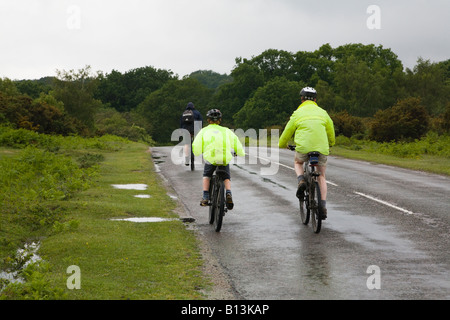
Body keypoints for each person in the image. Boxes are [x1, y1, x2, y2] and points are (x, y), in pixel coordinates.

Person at [278, 87, 335, 219]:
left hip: (303, 148)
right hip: (321, 148)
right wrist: (331, 143)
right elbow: (331, 130)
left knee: (298, 162)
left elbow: (287, 131)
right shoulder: (323, 112)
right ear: (315, 100)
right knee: (321, 176)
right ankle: (323, 206)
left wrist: (282, 144)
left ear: (302, 99)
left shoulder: (297, 113)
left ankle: (301, 180)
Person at [192, 109, 245, 210]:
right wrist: (239, 152)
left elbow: (197, 144)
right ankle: (228, 193)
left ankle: (205, 196)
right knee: (226, 176)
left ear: (208, 120)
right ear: (220, 120)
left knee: (207, 175)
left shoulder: (204, 131)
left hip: (211, 157)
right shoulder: (226, 130)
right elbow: (236, 142)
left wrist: (197, 152)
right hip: (224, 157)